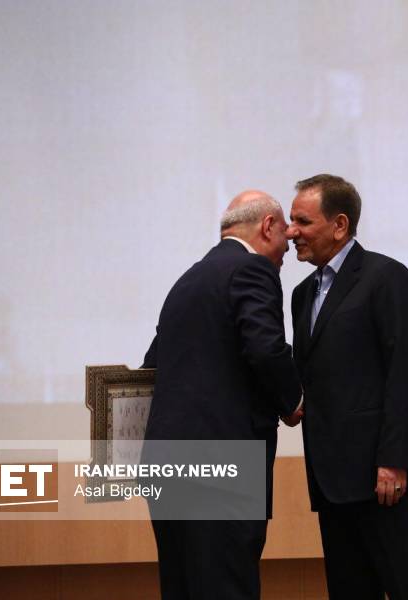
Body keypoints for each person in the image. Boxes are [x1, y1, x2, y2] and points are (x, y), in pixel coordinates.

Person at [286, 174, 408, 599]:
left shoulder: (386, 277)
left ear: (339, 225)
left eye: (303, 221)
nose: (291, 232)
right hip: (333, 483)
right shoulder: (302, 293)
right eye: (291, 221)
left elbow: (405, 374)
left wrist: (393, 460)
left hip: (387, 480)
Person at [141, 190, 303, 600]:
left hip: (165, 464)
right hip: (222, 464)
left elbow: (152, 366)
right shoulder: (252, 269)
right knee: (227, 586)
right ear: (267, 226)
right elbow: (265, 348)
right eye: (284, 237)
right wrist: (293, 401)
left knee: (182, 586)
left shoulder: (188, 280)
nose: (286, 250)